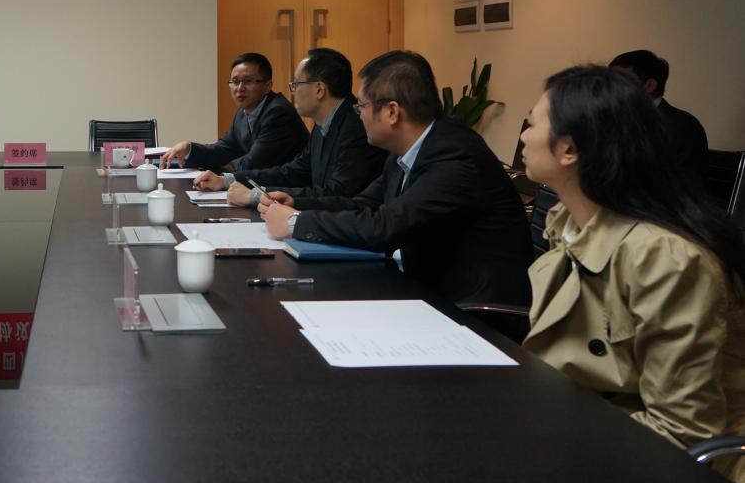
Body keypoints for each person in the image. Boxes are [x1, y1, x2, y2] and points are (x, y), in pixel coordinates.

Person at [519, 65, 745, 483]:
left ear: (568, 149)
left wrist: (549, 435)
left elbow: (680, 430)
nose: (523, 137)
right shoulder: (567, 220)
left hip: (657, 468)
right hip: (582, 431)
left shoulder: (665, 258)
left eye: (531, 124)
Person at [259, 50, 532, 306]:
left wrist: (296, 222)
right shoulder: (407, 150)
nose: (358, 114)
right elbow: (362, 204)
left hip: (468, 309)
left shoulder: (454, 155)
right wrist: (296, 204)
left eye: (361, 106)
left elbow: (385, 226)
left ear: (392, 112)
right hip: (419, 286)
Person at [192, 48, 385, 208]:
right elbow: (294, 171)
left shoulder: (356, 126)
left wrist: (258, 195)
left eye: (296, 84)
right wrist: (229, 180)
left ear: (319, 89)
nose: (292, 93)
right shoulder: (324, 123)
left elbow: (338, 193)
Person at [161, 52, 308, 172]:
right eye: (235, 82)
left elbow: (254, 162)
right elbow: (224, 149)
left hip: (290, 192)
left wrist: (216, 174)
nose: (239, 88)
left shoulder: (278, 112)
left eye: (248, 81)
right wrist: (190, 149)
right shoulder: (243, 112)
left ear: (267, 85)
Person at [608, 49, 710, 188]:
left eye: (619, 81)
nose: (610, 89)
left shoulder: (683, 127)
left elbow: (684, 189)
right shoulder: (613, 121)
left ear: (649, 85)